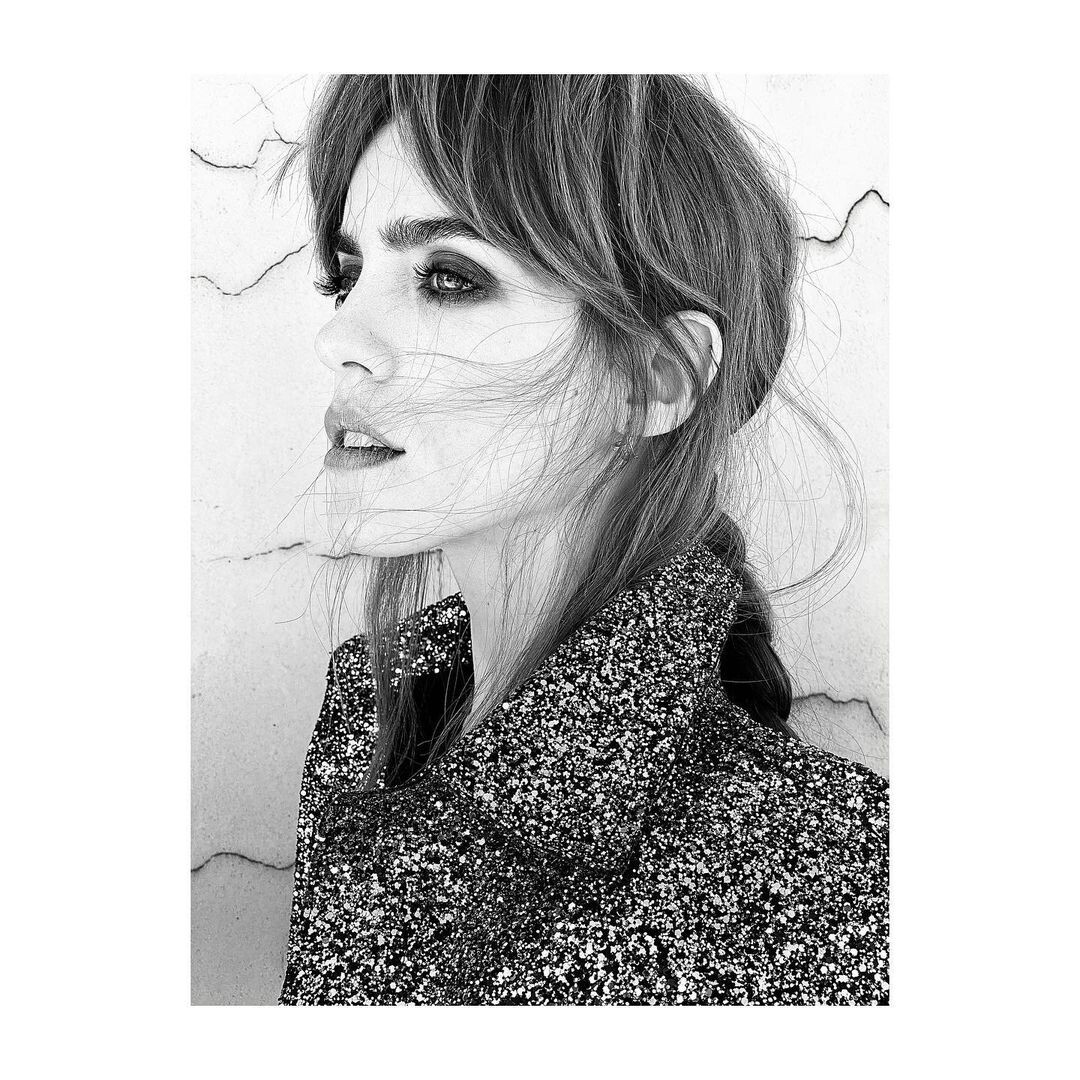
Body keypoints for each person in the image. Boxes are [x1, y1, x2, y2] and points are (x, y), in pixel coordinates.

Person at [276, 74, 888, 1006]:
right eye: (348, 274)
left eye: (448, 277)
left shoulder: (844, 895)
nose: (339, 337)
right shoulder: (373, 732)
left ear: (656, 377)